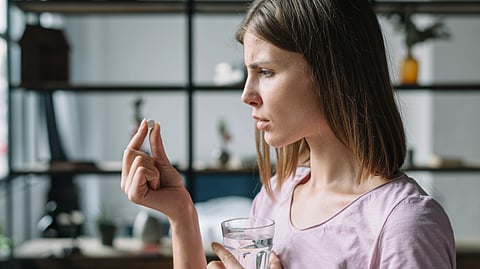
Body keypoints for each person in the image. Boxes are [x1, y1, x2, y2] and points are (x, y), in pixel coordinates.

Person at [121, 0, 456, 268]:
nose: (246, 94)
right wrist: (181, 214)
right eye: (248, 73)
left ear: (331, 73)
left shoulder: (404, 224)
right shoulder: (275, 198)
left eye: (265, 71)